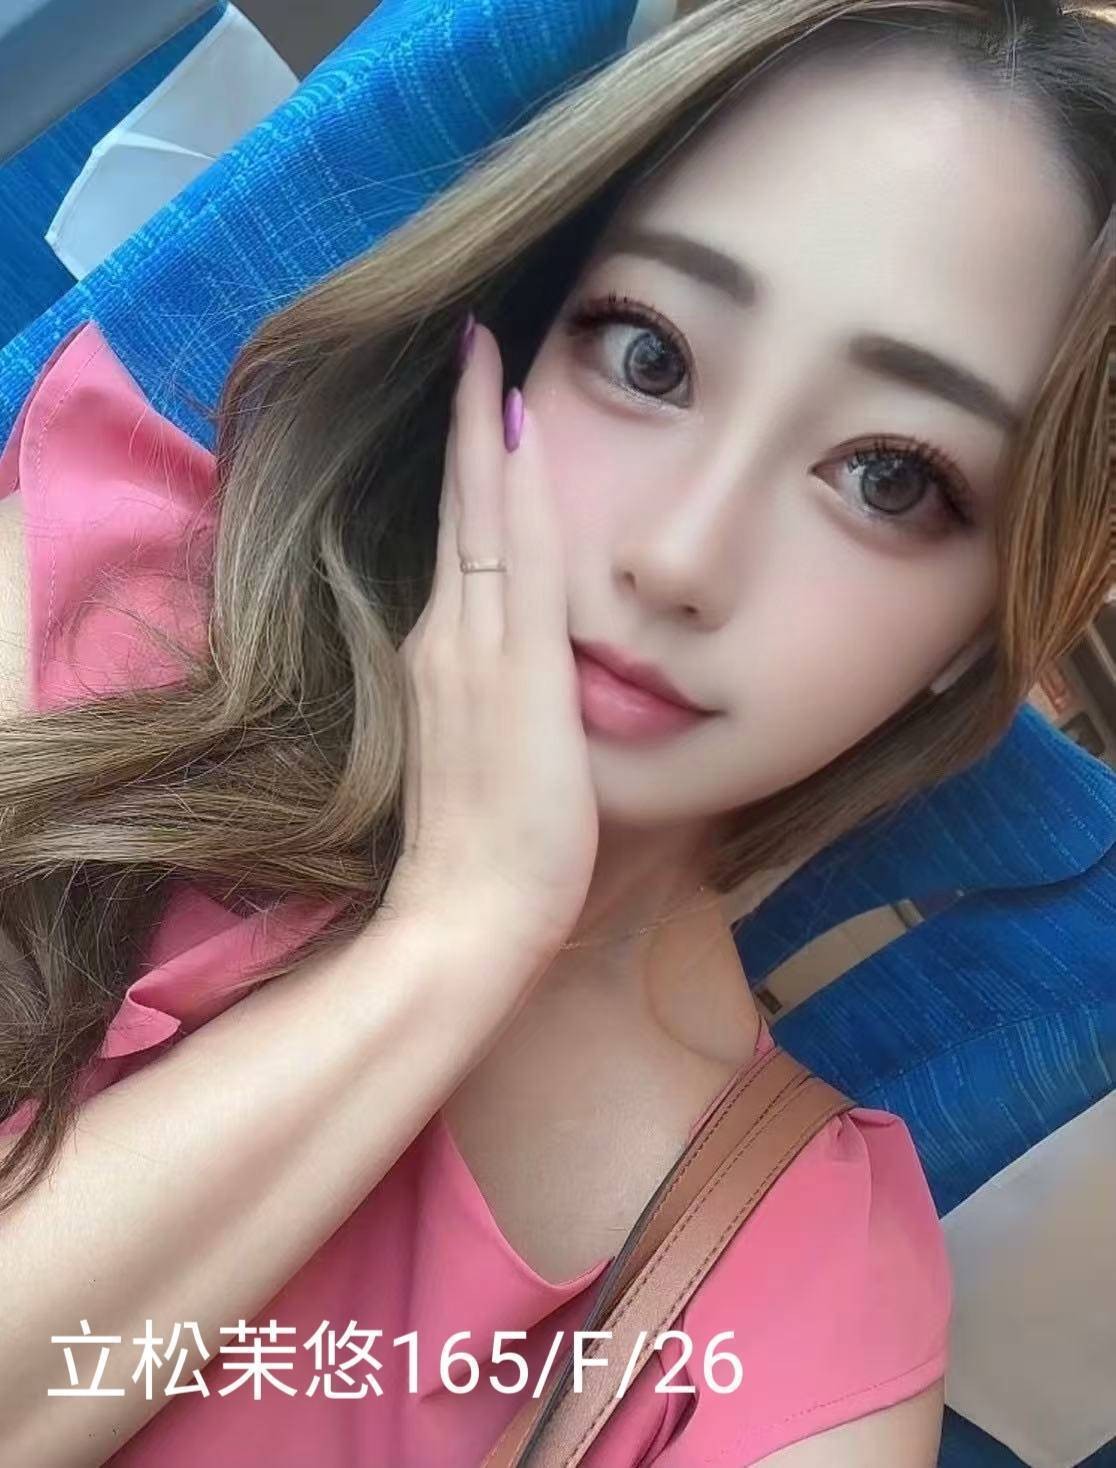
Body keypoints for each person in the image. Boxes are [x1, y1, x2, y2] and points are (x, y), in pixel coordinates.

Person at [0, 0, 1112, 1463]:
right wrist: (457, 928)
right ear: (526, 336)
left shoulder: (808, 1303)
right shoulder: (104, 590)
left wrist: (473, 931)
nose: (680, 555)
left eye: (891, 480)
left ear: (978, 627)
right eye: (648, 357)